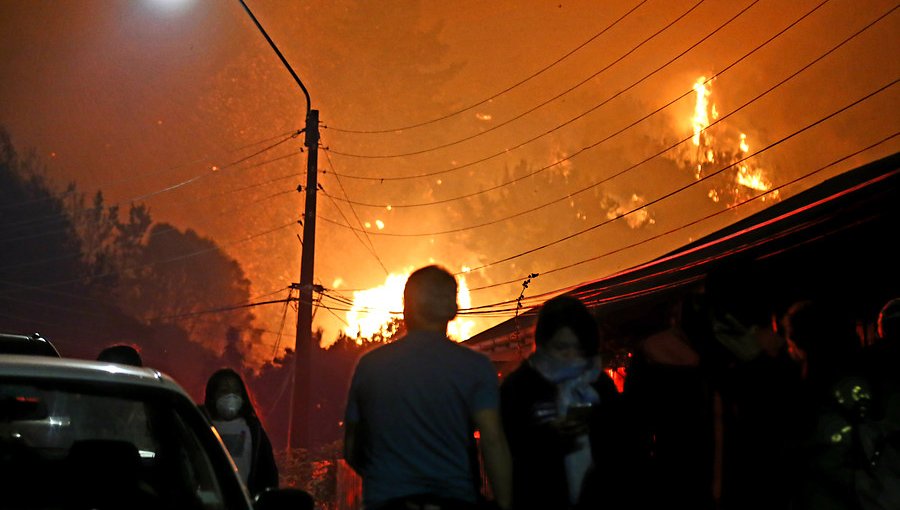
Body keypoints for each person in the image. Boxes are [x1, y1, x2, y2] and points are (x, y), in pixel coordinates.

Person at [343, 265, 512, 510]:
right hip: (454, 499)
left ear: (405, 307)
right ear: (454, 309)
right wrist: (505, 504)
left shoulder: (371, 366)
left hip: (386, 501)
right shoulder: (475, 367)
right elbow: (493, 439)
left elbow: (351, 448)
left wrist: (386, 478)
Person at [499, 294, 626, 510]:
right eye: (561, 347)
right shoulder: (520, 386)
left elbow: (620, 440)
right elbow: (507, 444)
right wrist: (547, 435)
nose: (570, 356)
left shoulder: (599, 383)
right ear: (543, 345)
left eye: (578, 348)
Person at [201, 368, 279, 495]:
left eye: (236, 391)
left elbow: (268, 473)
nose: (231, 396)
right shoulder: (200, 425)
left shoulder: (254, 432)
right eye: (224, 391)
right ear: (212, 396)